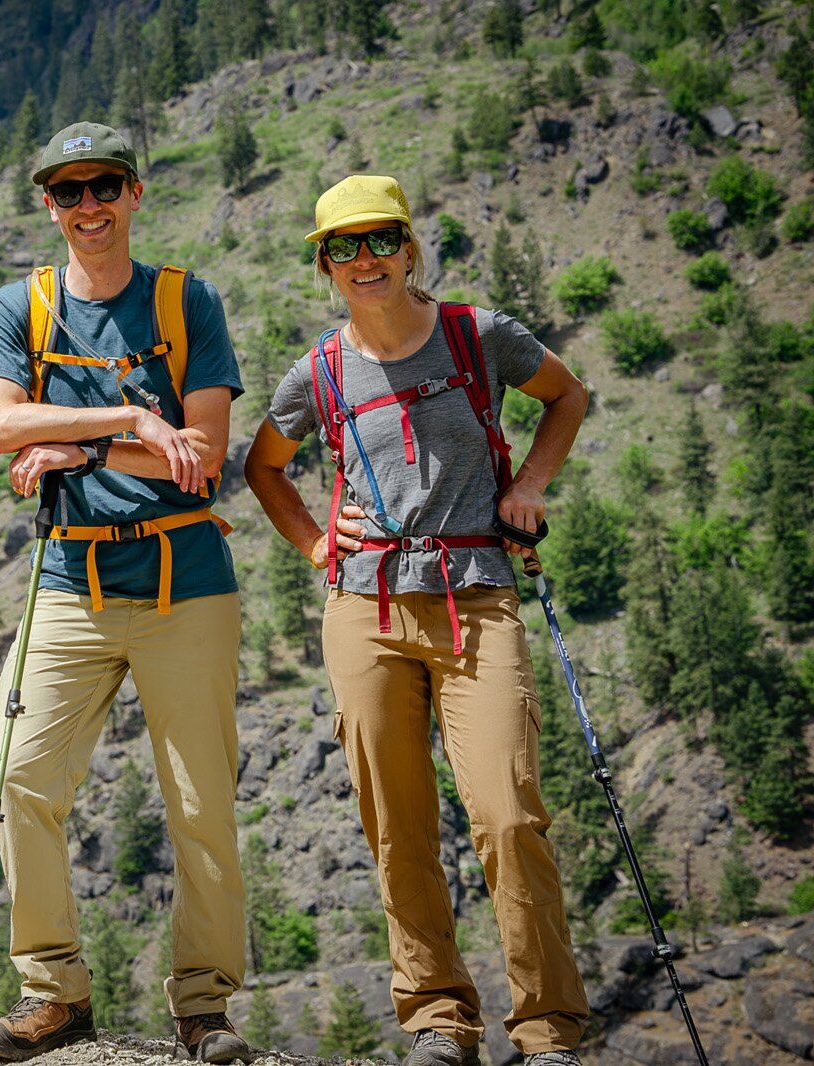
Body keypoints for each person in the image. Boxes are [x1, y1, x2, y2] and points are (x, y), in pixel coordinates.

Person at [244, 174, 591, 1066]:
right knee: (396, 822)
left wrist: (530, 485)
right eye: (344, 247)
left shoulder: (480, 336)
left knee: (508, 814)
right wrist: (318, 540)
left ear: (409, 247)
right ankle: (439, 1019)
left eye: (380, 240)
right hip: (365, 606)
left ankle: (548, 1032)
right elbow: (264, 467)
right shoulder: (319, 370)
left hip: (476, 592)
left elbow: (568, 396)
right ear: (324, 264)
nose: (366, 260)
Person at [0, 123, 252, 1064]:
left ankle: (204, 1009)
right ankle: (54, 995)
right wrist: (133, 417)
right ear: (47, 204)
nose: (87, 205)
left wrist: (84, 447)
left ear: (135, 193)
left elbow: (202, 460)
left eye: (104, 186)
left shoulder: (186, 301)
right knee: (18, 778)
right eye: (67, 191)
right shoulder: (23, 305)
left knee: (200, 804)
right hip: (69, 578)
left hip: (186, 581)